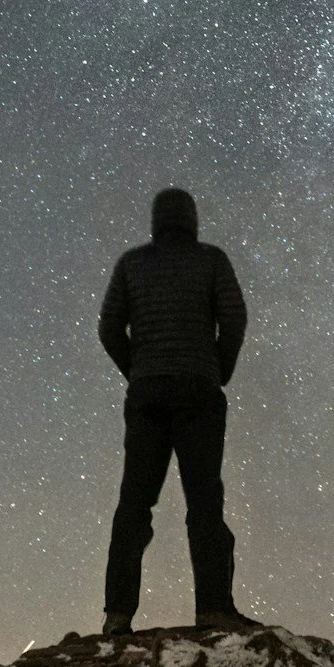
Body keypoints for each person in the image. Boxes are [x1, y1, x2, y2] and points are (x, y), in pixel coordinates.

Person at [97, 186, 255, 634]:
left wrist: (138, 370)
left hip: (147, 396)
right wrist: (217, 368)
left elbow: (108, 327)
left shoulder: (132, 264)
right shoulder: (211, 259)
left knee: (134, 504)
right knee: (205, 503)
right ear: (192, 220)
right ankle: (213, 610)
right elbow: (235, 317)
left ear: (155, 221)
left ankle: (117, 615)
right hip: (198, 392)